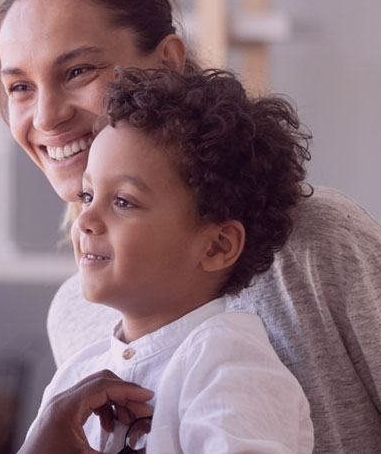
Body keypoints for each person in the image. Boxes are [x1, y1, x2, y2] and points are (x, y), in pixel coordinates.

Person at [0, 0, 381, 452]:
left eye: (78, 71)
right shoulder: (81, 315)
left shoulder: (321, 244)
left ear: (169, 62)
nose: (47, 116)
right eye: (19, 88)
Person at [28, 67, 315, 452]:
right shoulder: (77, 377)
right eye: (87, 196)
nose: (87, 221)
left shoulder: (229, 367)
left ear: (217, 246)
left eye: (124, 201)